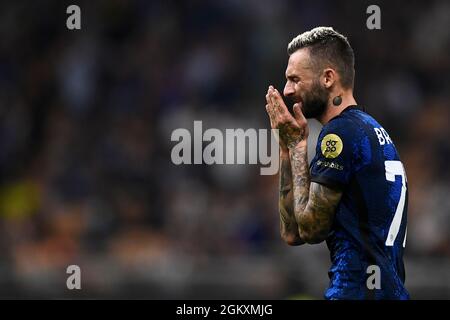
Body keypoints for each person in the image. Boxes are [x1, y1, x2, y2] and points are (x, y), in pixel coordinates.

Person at [265, 27, 409, 300]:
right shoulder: (371, 131)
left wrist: (298, 150)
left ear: (328, 77)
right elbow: (292, 233)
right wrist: (288, 149)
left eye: (295, 79)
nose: (287, 90)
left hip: (357, 292)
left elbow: (310, 229)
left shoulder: (340, 134)